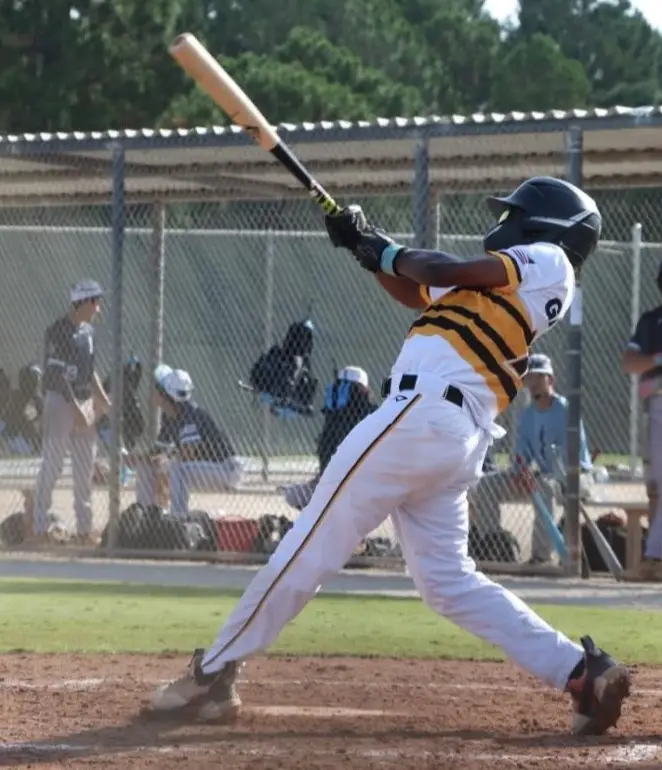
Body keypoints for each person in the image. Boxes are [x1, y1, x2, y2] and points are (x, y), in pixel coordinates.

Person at [149, 176, 630, 735]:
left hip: (421, 417)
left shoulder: (550, 261)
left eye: (514, 214)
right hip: (447, 436)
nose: (503, 222)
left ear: (546, 223)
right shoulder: (488, 293)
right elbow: (417, 287)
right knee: (447, 582)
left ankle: (214, 671)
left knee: (312, 540)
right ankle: (580, 673)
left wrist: (388, 250)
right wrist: (364, 246)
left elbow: (441, 267)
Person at [468, 353, 593, 564]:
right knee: (487, 484)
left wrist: (542, 475)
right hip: (539, 476)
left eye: (538, 377)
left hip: (572, 476)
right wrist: (520, 471)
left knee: (544, 487)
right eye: (529, 378)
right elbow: (521, 453)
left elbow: (574, 458)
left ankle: (540, 556)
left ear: (551, 380)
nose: (532, 383)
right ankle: (493, 545)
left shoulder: (565, 411)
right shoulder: (528, 415)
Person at [621, 250, 662, 583]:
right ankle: (655, 558)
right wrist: (661, 360)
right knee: (659, 486)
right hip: (658, 408)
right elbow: (630, 362)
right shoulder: (652, 320)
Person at [32, 280, 110, 544]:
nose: (98, 308)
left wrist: (103, 400)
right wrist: (75, 408)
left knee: (85, 470)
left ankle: (84, 531)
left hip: (84, 401)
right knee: (52, 465)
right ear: (83, 302)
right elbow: (56, 374)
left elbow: (90, 371)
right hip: (60, 401)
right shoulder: (57, 331)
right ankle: (39, 526)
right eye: (95, 302)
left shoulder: (89, 332)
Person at [131, 365, 244, 515]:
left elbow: (188, 454)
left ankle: (178, 517)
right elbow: (156, 453)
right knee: (146, 467)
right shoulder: (169, 416)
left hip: (226, 470)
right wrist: (134, 459)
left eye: (157, 388)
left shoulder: (189, 414)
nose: (152, 391)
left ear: (165, 395)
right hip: (203, 468)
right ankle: (147, 515)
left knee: (177, 469)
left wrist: (166, 461)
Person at [279, 365, 377, 511]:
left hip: (332, 478)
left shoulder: (332, 411)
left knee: (293, 496)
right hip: (358, 479)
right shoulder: (368, 409)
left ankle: (323, 507)